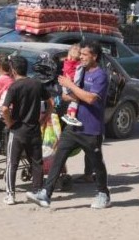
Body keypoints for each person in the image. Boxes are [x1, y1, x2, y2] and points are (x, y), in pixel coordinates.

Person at [26, 40, 111, 209]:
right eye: (80, 54)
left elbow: (91, 98)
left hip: (91, 128)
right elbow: (70, 96)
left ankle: (103, 194)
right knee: (58, 158)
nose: (81, 57)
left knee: (97, 163)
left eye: (85, 55)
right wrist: (69, 91)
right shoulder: (80, 71)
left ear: (94, 56)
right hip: (73, 126)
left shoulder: (100, 75)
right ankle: (46, 194)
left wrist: (71, 87)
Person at [0, 56, 53, 205]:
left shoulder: (15, 87)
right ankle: (37, 192)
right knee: (37, 162)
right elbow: (51, 102)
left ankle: (10, 195)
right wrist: (44, 118)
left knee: (12, 163)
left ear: (13, 70)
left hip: (18, 131)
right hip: (34, 129)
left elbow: (4, 109)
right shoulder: (37, 84)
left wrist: (10, 123)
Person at [60, 44, 84, 127]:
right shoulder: (78, 65)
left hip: (64, 85)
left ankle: (68, 115)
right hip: (70, 84)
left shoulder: (66, 62)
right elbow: (77, 76)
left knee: (71, 101)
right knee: (75, 100)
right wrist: (75, 86)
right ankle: (72, 117)